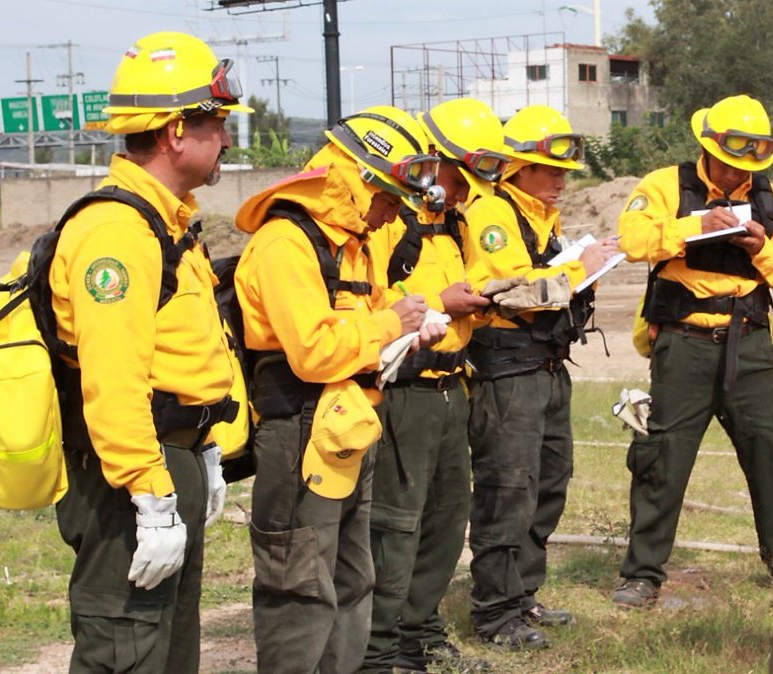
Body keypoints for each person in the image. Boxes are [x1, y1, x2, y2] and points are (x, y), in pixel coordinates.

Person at [49, 31, 248, 672]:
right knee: (126, 651)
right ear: (172, 134)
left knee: (168, 649)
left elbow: (182, 354)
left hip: (171, 461)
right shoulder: (117, 231)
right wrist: (151, 495)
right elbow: (114, 380)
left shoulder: (167, 223)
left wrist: (206, 448)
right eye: (216, 124)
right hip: (131, 477)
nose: (225, 138)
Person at [233, 105, 447, 673]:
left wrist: (407, 328)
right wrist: (389, 325)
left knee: (353, 579)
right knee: (299, 584)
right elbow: (313, 352)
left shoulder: (348, 244)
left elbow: (368, 321)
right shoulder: (285, 243)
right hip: (301, 432)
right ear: (359, 178)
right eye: (387, 200)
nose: (388, 216)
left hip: (348, 424)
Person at [612, 94, 773, 609]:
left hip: (750, 345)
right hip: (683, 344)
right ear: (708, 147)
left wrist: (760, 248)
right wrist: (689, 228)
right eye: (729, 161)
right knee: (664, 457)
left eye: (748, 164)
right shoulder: (665, 186)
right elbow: (631, 240)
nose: (735, 174)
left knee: (771, 451)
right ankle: (642, 575)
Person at [463, 104, 618, 650]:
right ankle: (495, 611)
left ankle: (521, 594)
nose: (559, 182)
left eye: (564, 173)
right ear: (517, 167)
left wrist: (583, 267)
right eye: (549, 171)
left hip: (546, 365)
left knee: (548, 483)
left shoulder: (538, 217)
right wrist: (580, 269)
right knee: (508, 488)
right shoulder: (491, 213)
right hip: (508, 370)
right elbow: (507, 291)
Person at [360, 98, 503, 673]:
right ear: (433, 162)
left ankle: (420, 631)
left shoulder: (454, 224)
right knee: (395, 522)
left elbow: (462, 293)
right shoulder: (388, 223)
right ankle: (379, 647)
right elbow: (367, 305)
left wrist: (484, 303)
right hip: (404, 393)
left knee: (447, 518)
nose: (467, 191)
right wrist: (438, 306)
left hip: (453, 389)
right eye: (459, 177)